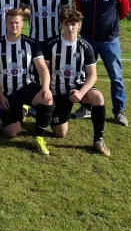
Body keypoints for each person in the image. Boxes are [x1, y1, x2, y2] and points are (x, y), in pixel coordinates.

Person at [73, 0, 131, 126]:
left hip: (109, 41)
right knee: (82, 75)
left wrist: (110, 26)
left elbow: (124, 9)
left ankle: (119, 110)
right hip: (88, 39)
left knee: (116, 76)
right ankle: (87, 107)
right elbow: (79, 10)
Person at [42, 9, 110, 156]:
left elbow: (92, 75)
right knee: (60, 133)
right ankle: (54, 115)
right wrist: (46, 90)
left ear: (79, 25)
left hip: (78, 88)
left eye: (73, 24)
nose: (70, 28)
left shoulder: (85, 47)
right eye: (66, 24)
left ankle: (98, 139)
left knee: (98, 97)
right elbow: (44, 71)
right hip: (57, 91)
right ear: (62, 25)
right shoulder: (51, 44)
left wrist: (81, 92)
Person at [0, 8, 53, 155]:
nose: (14, 26)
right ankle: (21, 112)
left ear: (22, 23)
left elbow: (43, 69)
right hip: (6, 93)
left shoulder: (31, 43)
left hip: (26, 87)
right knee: (12, 133)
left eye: (17, 23)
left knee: (47, 99)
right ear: (6, 23)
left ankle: (39, 137)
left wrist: (45, 88)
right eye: (11, 22)